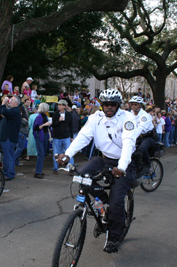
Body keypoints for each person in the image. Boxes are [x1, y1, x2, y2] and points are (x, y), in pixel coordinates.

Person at [58, 88, 141, 254]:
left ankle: (113, 237)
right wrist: (67, 155)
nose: (109, 107)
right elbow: (83, 137)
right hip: (104, 159)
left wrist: (122, 167)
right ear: (101, 105)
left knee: (117, 202)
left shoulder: (127, 119)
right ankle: (102, 200)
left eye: (112, 104)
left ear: (118, 105)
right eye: (106, 104)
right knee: (81, 176)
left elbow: (128, 143)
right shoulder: (95, 118)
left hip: (123, 163)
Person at [129, 96, 155, 175]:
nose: (133, 106)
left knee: (142, 148)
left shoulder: (145, 116)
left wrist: (131, 138)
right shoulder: (130, 114)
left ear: (140, 105)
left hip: (147, 136)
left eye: (135, 104)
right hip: (137, 136)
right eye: (132, 104)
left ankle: (147, 166)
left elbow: (140, 129)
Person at [0, 96, 21, 180]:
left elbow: (4, 111)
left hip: (8, 137)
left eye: (11, 100)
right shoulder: (14, 111)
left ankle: (8, 174)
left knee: (8, 156)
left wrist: (3, 103)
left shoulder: (15, 111)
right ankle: (9, 173)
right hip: (9, 137)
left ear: (16, 103)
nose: (9, 101)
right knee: (9, 155)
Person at [52, 99, 74, 175]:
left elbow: (71, 126)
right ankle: (55, 168)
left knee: (69, 152)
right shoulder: (55, 114)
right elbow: (53, 125)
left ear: (64, 106)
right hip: (57, 136)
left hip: (66, 136)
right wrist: (59, 120)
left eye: (60, 105)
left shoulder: (69, 114)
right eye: (58, 105)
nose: (58, 106)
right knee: (56, 153)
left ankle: (71, 168)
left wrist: (71, 136)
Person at [33, 103, 51, 178]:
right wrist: (45, 124)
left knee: (42, 154)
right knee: (41, 154)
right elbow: (36, 128)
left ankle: (39, 170)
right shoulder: (39, 117)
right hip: (41, 135)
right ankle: (37, 171)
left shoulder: (44, 116)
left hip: (44, 135)